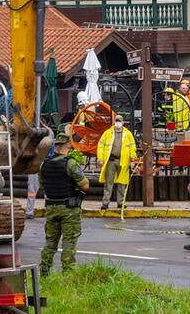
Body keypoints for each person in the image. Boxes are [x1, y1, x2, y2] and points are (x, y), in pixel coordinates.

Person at [39, 131, 89, 276]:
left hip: (51, 208)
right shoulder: (70, 163)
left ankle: (44, 271)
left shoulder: (44, 164)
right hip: (69, 209)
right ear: (68, 145)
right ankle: (68, 273)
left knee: (50, 242)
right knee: (69, 242)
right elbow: (85, 185)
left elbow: (43, 186)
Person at [97, 115, 137, 210]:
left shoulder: (128, 134)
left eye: (120, 121)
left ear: (123, 122)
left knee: (122, 183)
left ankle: (121, 203)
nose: (118, 122)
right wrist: (100, 159)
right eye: (116, 121)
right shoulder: (107, 133)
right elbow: (101, 146)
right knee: (108, 183)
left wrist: (132, 159)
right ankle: (105, 203)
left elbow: (132, 147)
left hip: (123, 161)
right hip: (110, 160)